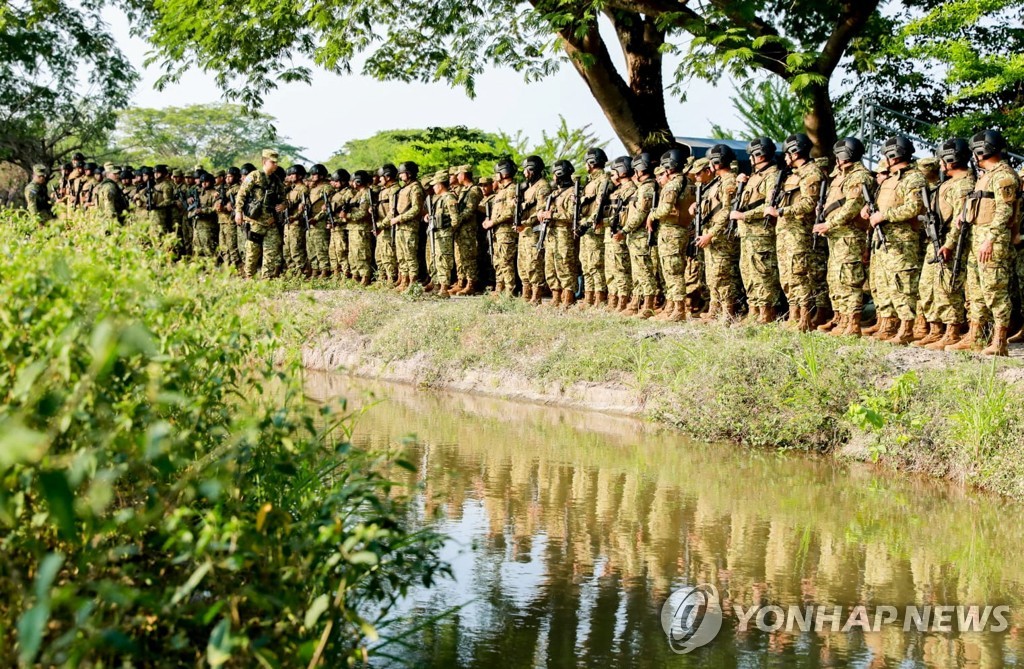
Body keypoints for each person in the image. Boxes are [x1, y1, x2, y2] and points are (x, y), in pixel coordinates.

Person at [947, 130, 1021, 355]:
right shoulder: (985, 176)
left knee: (994, 290)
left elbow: (1004, 211)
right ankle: (975, 337)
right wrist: (964, 215)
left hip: (992, 241)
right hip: (976, 238)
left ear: (982, 151)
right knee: (976, 292)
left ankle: (1000, 342)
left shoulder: (1004, 175)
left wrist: (990, 239)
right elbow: (982, 203)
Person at [862, 136, 927, 345]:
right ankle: (888, 324)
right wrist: (869, 211)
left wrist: (884, 215)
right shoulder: (890, 179)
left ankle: (907, 328)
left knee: (903, 284)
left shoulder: (914, 178)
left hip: (902, 241)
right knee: (883, 284)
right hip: (883, 241)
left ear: (893, 154)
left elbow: (914, 207)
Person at [913, 140, 975, 349]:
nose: (940, 164)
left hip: (950, 243)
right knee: (928, 287)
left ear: (950, 159)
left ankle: (952, 331)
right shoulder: (948, 183)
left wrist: (949, 244)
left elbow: (961, 219)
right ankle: (935, 328)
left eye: (942, 159)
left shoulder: (964, 185)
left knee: (948, 288)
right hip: (936, 241)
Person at [813, 137, 874, 337]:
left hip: (849, 235)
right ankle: (841, 318)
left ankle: (853, 323)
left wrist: (829, 223)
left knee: (849, 279)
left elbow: (851, 207)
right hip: (836, 236)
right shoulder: (840, 176)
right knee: (836, 278)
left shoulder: (859, 176)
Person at [766, 134, 826, 331]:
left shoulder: (811, 173)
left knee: (799, 274)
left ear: (795, 151)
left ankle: (805, 317)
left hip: (799, 232)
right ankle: (794, 314)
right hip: (785, 232)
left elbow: (809, 203)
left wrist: (781, 211)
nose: (785, 157)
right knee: (787, 275)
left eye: (787, 153)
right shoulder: (792, 174)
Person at [730, 138, 781, 324]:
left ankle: (767, 312)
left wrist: (744, 216)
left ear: (759, 155)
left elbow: (769, 206)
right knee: (748, 273)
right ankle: (754, 309)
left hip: (761, 234)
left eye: (752, 155)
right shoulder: (755, 176)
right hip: (748, 235)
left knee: (763, 274)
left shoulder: (772, 175)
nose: (750, 158)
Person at [694, 144, 741, 322]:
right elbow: (714, 207)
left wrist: (710, 234)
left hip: (720, 236)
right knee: (713, 276)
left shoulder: (729, 181)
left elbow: (726, 212)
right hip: (713, 235)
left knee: (723, 276)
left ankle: (728, 313)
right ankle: (715, 310)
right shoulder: (717, 182)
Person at [649, 147, 695, 322]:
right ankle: (671, 307)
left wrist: (652, 215)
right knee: (674, 270)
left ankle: (678, 310)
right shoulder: (689, 183)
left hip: (671, 232)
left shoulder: (673, 184)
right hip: (681, 230)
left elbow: (665, 209)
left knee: (672, 272)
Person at [236, 149, 287, 279]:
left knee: (271, 251)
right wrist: (238, 212)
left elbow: (284, 199)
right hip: (255, 222)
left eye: (276, 162)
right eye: (273, 162)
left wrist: (283, 205)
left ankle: (266, 279)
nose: (276, 165)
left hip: (271, 222)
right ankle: (249, 277)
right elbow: (241, 194)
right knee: (252, 252)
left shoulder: (276, 180)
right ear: (264, 162)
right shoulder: (254, 176)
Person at [619, 153, 659, 317]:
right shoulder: (644, 187)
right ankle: (636, 302)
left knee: (644, 271)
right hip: (635, 236)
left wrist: (625, 230)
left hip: (641, 234)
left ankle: (648, 306)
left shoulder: (647, 188)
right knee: (637, 272)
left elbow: (641, 213)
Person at [536, 159, 579, 308]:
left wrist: (552, 215)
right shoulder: (554, 193)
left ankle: (568, 297)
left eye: (555, 173)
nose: (553, 177)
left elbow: (572, 216)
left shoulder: (572, 192)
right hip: (551, 235)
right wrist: (541, 213)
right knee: (550, 266)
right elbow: (541, 208)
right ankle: (556, 296)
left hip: (563, 235)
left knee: (565, 265)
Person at [578, 148, 612, 308]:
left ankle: (599, 298)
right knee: (586, 263)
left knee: (596, 264)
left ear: (592, 162)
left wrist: (586, 223)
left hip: (594, 228)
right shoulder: (590, 181)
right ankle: (588, 297)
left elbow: (599, 206)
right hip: (586, 229)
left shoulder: (603, 180)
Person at [481, 158, 520, 296]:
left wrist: (493, 222)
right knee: (497, 261)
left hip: (506, 232)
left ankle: (510, 291)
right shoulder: (501, 191)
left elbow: (510, 212)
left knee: (506, 261)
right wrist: (489, 221)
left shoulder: (511, 189)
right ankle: (500, 288)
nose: (495, 176)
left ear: (503, 173)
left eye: (497, 173)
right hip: (497, 232)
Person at [516, 156, 551, 303]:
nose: (525, 174)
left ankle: (536, 295)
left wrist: (526, 223)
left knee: (533, 262)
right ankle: (526, 292)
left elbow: (541, 211)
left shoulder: (542, 187)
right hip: (524, 231)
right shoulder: (529, 188)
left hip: (534, 231)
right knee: (522, 263)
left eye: (527, 170)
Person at [605, 157, 636, 312]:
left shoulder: (630, 190)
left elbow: (624, 215)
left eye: (613, 172)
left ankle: (623, 300)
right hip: (611, 234)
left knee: (621, 269)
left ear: (622, 171)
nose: (611, 175)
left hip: (620, 234)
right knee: (611, 269)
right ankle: (613, 299)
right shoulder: (617, 191)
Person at [391, 161, 425, 290]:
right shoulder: (405, 187)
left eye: (402, 173)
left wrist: (399, 218)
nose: (400, 176)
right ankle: (404, 280)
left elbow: (416, 209)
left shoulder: (415, 187)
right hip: (400, 226)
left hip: (409, 227)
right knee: (401, 256)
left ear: (409, 174)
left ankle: (413, 282)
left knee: (410, 255)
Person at [426, 171, 459, 297]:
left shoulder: (449, 198)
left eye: (435, 185)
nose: (433, 187)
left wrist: (449, 232)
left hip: (444, 234)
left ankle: (444, 288)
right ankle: (438, 285)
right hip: (436, 233)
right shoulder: (437, 199)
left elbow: (455, 219)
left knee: (444, 261)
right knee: (435, 260)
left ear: (441, 185)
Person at [453, 165, 482, 295]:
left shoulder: (474, 190)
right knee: (460, 257)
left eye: (458, 174)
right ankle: (462, 281)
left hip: (469, 230)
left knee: (469, 257)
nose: (457, 177)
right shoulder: (464, 190)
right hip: (461, 229)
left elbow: (470, 210)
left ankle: (471, 283)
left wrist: (456, 220)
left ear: (464, 175)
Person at [344, 170, 375, 285]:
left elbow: (363, 213)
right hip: (353, 228)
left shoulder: (366, 193)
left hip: (361, 228)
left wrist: (347, 216)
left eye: (354, 181)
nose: (352, 183)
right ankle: (355, 274)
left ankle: (365, 276)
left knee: (361, 253)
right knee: (352, 254)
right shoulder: (357, 193)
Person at [306, 164, 334, 278]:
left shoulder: (327, 188)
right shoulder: (313, 188)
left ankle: (324, 270)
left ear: (321, 175)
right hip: (310, 221)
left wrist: (316, 218)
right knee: (311, 247)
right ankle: (314, 269)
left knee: (321, 247)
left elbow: (327, 206)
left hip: (320, 222)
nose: (312, 176)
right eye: (311, 174)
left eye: (315, 174)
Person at [283, 164, 311, 276]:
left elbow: (304, 207)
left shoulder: (303, 189)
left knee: (296, 249)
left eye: (292, 174)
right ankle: (292, 271)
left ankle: (301, 271)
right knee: (287, 250)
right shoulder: (291, 189)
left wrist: (296, 216)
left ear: (299, 175)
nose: (290, 176)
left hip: (296, 224)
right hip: (288, 223)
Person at [375, 165, 400, 285]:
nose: (379, 179)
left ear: (388, 176)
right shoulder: (384, 190)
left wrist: (382, 224)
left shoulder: (394, 189)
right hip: (381, 226)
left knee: (388, 254)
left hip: (388, 227)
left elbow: (392, 211)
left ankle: (391, 278)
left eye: (381, 177)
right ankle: (382, 277)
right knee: (379, 254)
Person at [329, 169, 353, 280]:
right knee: (333, 251)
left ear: (343, 181)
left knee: (341, 251)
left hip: (341, 226)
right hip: (334, 226)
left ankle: (346, 273)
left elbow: (347, 209)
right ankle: (336, 272)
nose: (334, 183)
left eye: (336, 181)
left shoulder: (349, 193)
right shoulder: (336, 193)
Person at [191, 172, 220, 257]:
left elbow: (215, 208)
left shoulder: (214, 193)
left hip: (208, 227)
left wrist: (203, 211)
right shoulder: (198, 192)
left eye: (206, 181)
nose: (204, 183)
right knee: (197, 251)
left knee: (210, 251)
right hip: (197, 226)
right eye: (202, 181)